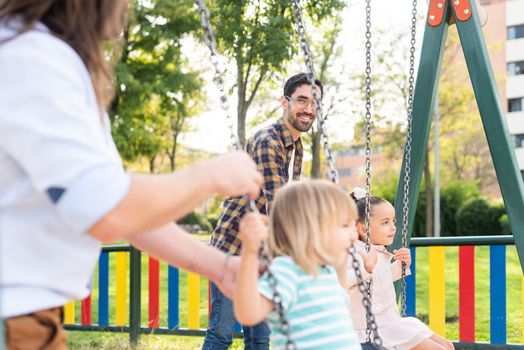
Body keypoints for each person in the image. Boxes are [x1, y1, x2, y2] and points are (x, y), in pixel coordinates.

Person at [0, 1, 263, 349]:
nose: (128, 7)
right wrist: (207, 176)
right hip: (14, 314)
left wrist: (219, 267)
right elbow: (108, 210)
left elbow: (122, 210)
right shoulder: (34, 56)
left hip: (27, 315)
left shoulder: (39, 53)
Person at [202, 72, 322, 349]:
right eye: (302, 100)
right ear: (285, 101)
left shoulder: (296, 145)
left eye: (315, 103)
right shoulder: (269, 140)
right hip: (234, 249)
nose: (309, 109)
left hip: (263, 252)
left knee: (260, 337)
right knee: (221, 333)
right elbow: (278, 203)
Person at [233, 180, 361, 350]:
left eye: (353, 225)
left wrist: (343, 251)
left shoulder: (325, 270)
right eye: (345, 225)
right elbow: (249, 314)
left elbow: (339, 301)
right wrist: (249, 253)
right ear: (310, 229)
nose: (354, 234)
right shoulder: (288, 270)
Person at [346, 189, 454, 350]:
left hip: (392, 322)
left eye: (393, 221)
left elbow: (382, 278)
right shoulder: (354, 253)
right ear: (362, 229)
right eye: (385, 222)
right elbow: (344, 282)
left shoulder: (377, 250)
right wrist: (366, 268)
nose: (393, 227)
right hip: (374, 329)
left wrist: (401, 265)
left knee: (448, 345)